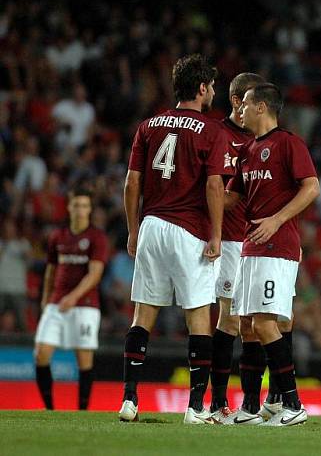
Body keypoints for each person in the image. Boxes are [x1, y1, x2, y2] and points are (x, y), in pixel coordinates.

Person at [119, 54, 226, 424]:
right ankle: (195, 409)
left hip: (151, 226)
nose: (213, 91)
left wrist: (133, 229)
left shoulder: (149, 125)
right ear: (201, 88)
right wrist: (216, 234)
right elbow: (214, 185)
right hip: (188, 230)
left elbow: (132, 183)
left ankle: (129, 400)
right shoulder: (212, 131)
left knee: (142, 314)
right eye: (211, 85)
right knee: (198, 317)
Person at [223, 82, 320, 427]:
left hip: (276, 246)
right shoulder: (247, 151)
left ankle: (293, 404)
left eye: (246, 105)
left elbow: (312, 187)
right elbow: (231, 198)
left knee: (265, 323)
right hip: (251, 246)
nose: (240, 110)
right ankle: (250, 408)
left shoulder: (288, 144)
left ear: (262, 107)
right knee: (247, 326)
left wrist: (278, 220)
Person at [208, 72, 262, 422]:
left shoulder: (263, 138)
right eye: (252, 100)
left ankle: (252, 405)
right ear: (236, 101)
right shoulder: (216, 134)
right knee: (229, 321)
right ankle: (216, 404)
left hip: (258, 244)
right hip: (228, 241)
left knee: (255, 324)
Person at [34, 187, 109, 410]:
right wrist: (46, 298)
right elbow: (50, 270)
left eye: (85, 206)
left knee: (84, 358)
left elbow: (95, 274)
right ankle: (49, 408)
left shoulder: (97, 237)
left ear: (90, 209)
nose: (80, 210)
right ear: (69, 207)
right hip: (57, 302)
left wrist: (73, 297)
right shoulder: (57, 236)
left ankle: (83, 410)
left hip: (85, 305)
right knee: (41, 353)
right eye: (76, 205)